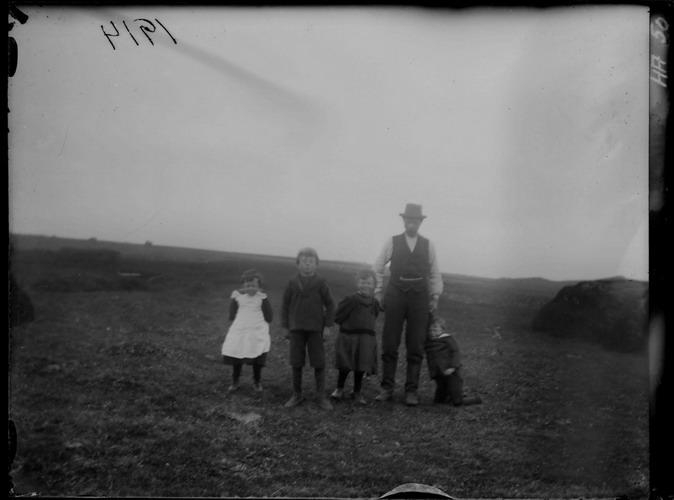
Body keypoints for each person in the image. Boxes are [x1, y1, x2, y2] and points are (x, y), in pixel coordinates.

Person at [373, 203, 443, 406]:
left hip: (419, 299)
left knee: (416, 344)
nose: (412, 223)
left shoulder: (428, 245)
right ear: (404, 220)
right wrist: (378, 291)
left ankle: (411, 391)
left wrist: (435, 297)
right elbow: (377, 267)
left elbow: (435, 272)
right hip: (395, 295)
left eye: (415, 220)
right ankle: (387, 388)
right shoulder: (392, 241)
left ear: (420, 222)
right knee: (390, 342)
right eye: (409, 219)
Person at [281, 247, 336, 410]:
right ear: (298, 264)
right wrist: (285, 326)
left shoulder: (321, 283)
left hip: (315, 329)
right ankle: (296, 395)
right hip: (296, 329)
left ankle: (321, 396)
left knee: (319, 362)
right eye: (304, 261)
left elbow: (330, 304)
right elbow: (284, 305)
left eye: (311, 262)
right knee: (296, 361)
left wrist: (328, 325)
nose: (307, 265)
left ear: (316, 265)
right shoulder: (292, 283)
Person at [330, 269, 381, 405]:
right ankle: (339, 388)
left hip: (366, 339)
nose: (365, 285)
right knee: (345, 365)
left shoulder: (375, 303)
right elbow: (338, 316)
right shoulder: (351, 300)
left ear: (374, 285)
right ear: (357, 283)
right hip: (349, 337)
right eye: (362, 282)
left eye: (369, 283)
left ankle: (357, 392)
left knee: (361, 366)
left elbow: (374, 316)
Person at [221, 269, 273, 393]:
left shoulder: (262, 298)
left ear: (259, 287)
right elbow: (232, 314)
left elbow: (269, 316)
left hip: (257, 329)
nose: (250, 288)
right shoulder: (238, 297)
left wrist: (261, 323)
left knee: (257, 354)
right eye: (247, 285)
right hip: (241, 329)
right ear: (243, 286)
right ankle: (235, 381)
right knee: (237, 353)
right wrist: (237, 320)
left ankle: (257, 381)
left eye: (253, 285)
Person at [425, 314, 482, 406]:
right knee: (439, 399)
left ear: (442, 330)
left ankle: (474, 399)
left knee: (457, 401)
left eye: (435, 330)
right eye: (430, 330)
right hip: (439, 373)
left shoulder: (447, 339)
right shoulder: (430, 343)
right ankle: (448, 396)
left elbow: (456, 352)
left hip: (451, 372)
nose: (432, 333)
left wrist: (453, 367)